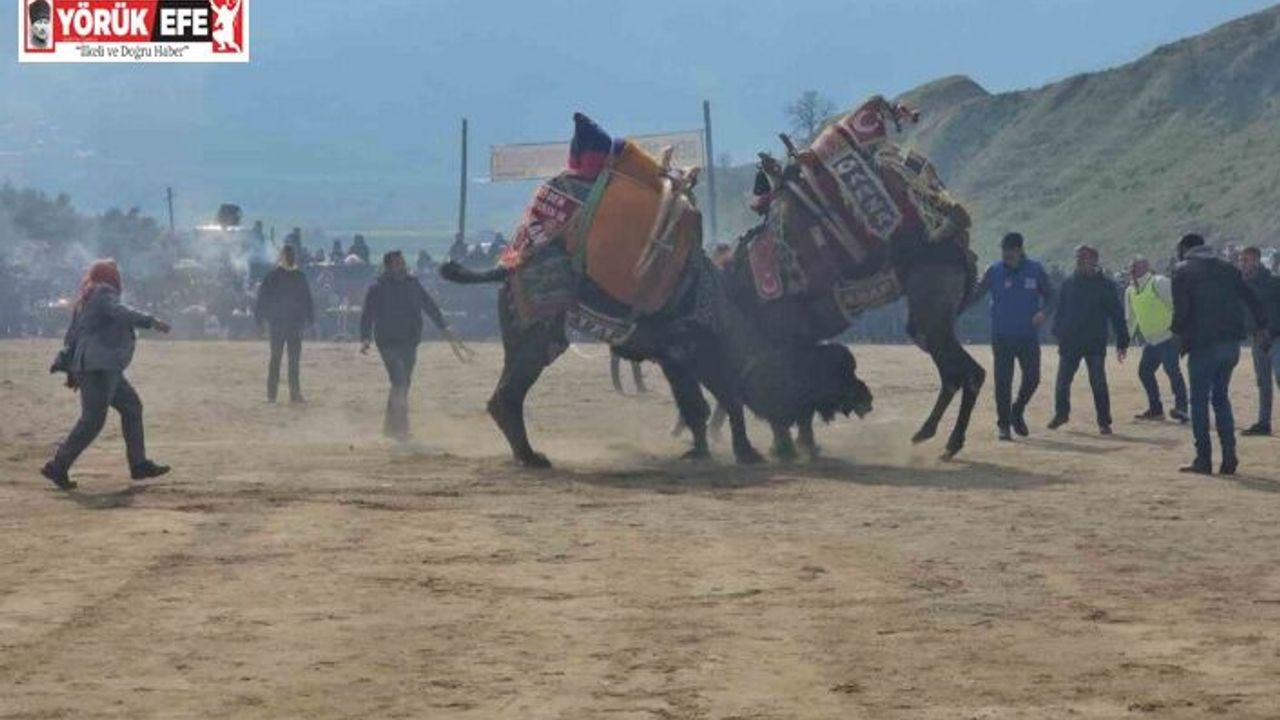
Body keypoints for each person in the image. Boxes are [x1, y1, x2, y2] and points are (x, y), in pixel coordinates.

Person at [41, 260, 172, 491]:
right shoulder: (103, 293)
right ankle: (58, 465)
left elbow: (73, 336)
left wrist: (67, 363)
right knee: (92, 420)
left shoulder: (86, 298)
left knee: (132, 408)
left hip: (100, 366)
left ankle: (139, 463)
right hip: (100, 366)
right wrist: (150, 321)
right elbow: (120, 312)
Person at [1171, 234, 1269, 475]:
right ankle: (1229, 457)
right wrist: (1261, 325)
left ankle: (1203, 459)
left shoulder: (1183, 270)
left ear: (1184, 249)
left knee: (1199, 402)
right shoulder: (1228, 269)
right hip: (1230, 344)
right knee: (1221, 398)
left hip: (1202, 344)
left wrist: (1177, 334)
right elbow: (1251, 297)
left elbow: (1181, 310)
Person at [360, 250, 473, 440]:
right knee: (399, 381)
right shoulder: (377, 288)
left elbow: (429, 305)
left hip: (409, 340)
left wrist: (444, 326)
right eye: (397, 263)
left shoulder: (412, 284)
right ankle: (400, 429)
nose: (401, 265)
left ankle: (391, 428)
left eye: (402, 262)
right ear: (388, 266)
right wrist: (365, 338)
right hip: (387, 341)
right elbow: (367, 314)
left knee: (403, 383)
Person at [973, 232, 1055, 440]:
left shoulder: (1035, 270)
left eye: (1010, 251)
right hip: (1001, 335)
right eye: (1003, 250)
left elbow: (1052, 296)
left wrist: (1044, 313)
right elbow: (976, 294)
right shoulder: (994, 270)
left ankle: (1016, 410)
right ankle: (1004, 426)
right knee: (1003, 382)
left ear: (1019, 250)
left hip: (1027, 335)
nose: (1006, 255)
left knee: (1033, 378)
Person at [1049, 245, 1129, 434]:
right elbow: (1060, 309)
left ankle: (1104, 421)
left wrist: (1122, 340)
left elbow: (1117, 314)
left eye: (1083, 257)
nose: (1078, 260)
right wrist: (1057, 331)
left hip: (1095, 341)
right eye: (1077, 257)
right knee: (1062, 382)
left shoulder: (1105, 285)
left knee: (1098, 382)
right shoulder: (1069, 283)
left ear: (1094, 260)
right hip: (1070, 341)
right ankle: (1061, 414)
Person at [1125, 256, 1188, 422]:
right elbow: (1132, 318)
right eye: (1131, 267)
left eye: (1136, 266)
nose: (1132, 270)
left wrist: (1179, 329)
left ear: (1146, 267)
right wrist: (1125, 340)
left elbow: (1176, 304)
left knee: (1172, 370)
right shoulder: (1130, 290)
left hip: (1168, 336)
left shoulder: (1158, 282)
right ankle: (1156, 409)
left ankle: (1182, 408)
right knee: (1145, 372)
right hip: (1151, 340)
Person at [254, 245, 314, 404]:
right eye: (287, 254)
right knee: (275, 359)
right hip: (277, 325)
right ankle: (271, 395)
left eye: (291, 254)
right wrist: (260, 319)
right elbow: (263, 299)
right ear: (282, 257)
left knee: (294, 361)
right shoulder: (272, 276)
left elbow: (307, 299)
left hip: (295, 325)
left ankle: (295, 393)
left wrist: (310, 320)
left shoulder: (300, 276)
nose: (290, 257)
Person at [1238, 246, 1280, 436]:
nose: (1242, 264)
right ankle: (1264, 423)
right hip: (1257, 339)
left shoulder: (1273, 282)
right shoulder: (1241, 285)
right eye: (1241, 260)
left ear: (1256, 260)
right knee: (1263, 383)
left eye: (1246, 260)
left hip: (1276, 336)